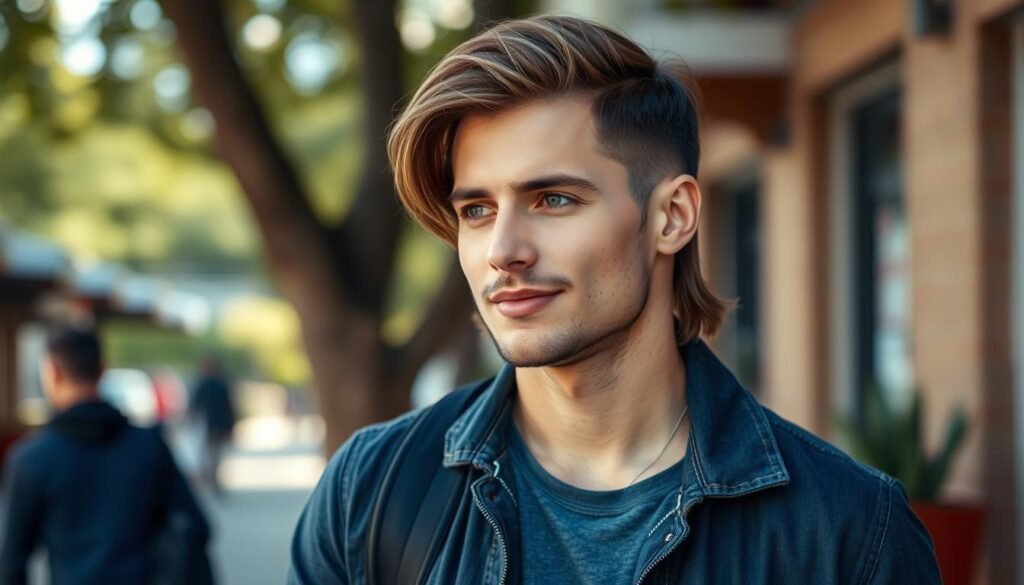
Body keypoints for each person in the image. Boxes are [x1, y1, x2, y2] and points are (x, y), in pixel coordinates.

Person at [288, 15, 941, 584]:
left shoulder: (848, 530)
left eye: (554, 200)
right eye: (478, 209)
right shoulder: (370, 492)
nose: (503, 250)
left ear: (672, 216)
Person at [0, 326, 213, 585]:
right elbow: (197, 527)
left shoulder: (31, 458)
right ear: (103, 370)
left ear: (53, 374)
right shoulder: (149, 446)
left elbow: (13, 563)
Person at [187, 356, 236, 494]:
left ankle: (212, 478)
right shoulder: (218, 383)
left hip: (214, 424)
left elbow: (195, 405)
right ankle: (212, 478)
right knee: (213, 454)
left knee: (212, 453)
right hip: (215, 424)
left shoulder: (209, 383)